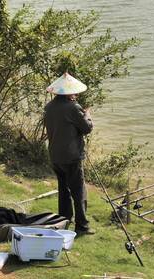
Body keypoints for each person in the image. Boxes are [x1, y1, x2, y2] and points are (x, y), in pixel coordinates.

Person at [44, 72, 95, 235]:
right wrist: (87, 115)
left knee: (63, 189)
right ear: (69, 92)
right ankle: (82, 226)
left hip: (55, 155)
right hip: (71, 156)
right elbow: (87, 128)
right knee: (78, 190)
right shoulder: (73, 107)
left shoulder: (49, 107)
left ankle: (63, 220)